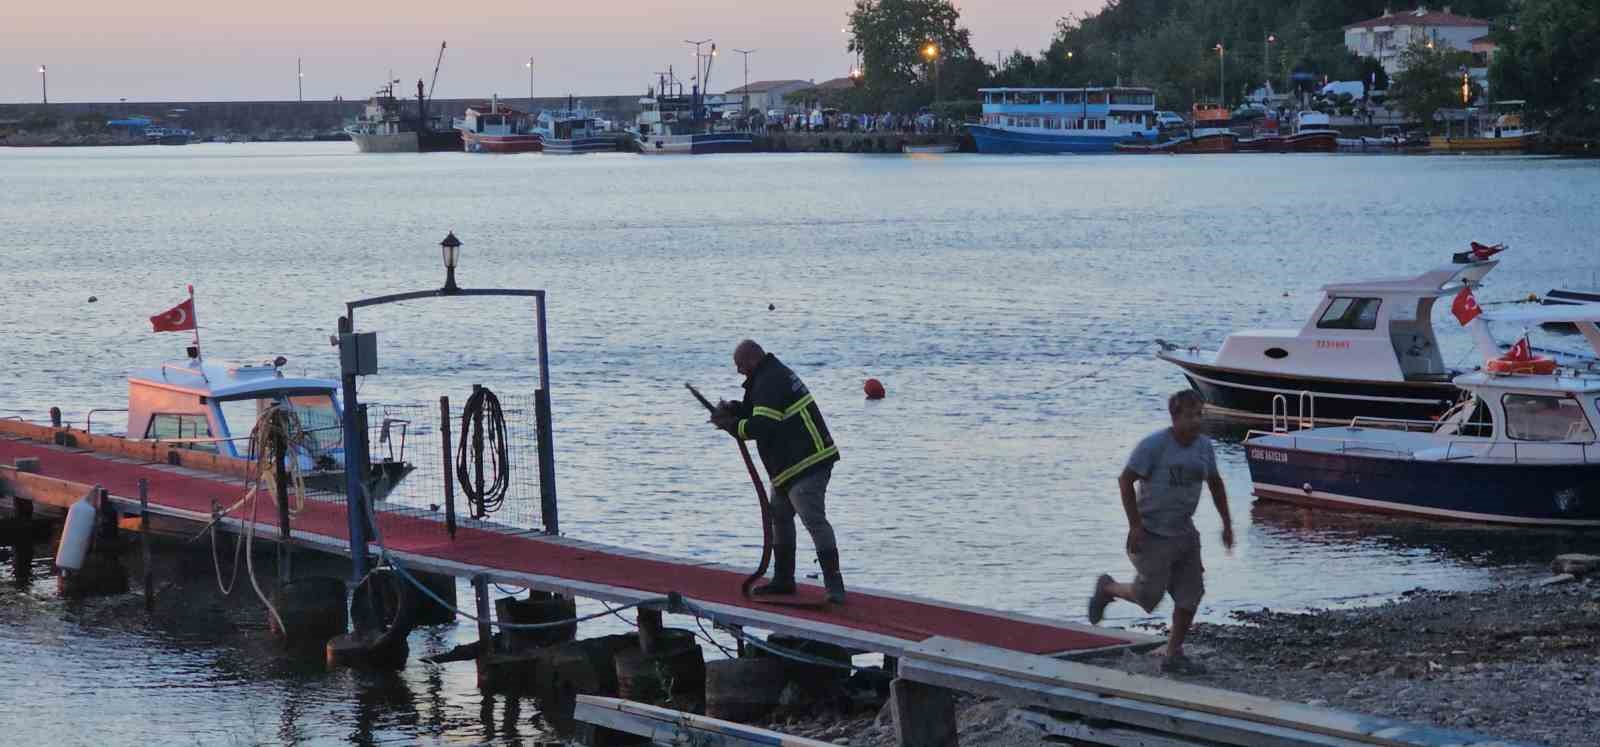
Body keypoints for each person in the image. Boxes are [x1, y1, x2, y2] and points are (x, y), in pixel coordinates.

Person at [1088, 390, 1233, 671]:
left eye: (1199, 415)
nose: (1196, 421)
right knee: (1148, 597)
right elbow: (1125, 481)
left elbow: (1215, 483)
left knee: (1192, 593)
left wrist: (1226, 523)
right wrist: (1135, 525)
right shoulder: (1154, 446)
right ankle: (1107, 588)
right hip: (1151, 532)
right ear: (1175, 417)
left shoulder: (1204, 447)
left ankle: (1173, 654)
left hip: (1184, 532)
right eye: (1190, 416)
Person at [711, 340, 846, 603]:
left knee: (813, 520)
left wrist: (732, 426)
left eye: (739, 366)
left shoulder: (769, 380)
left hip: (807, 462)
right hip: (787, 466)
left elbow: (762, 425)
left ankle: (834, 585)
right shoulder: (766, 376)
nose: (738, 371)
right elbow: (757, 411)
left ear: (751, 360)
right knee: (780, 518)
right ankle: (784, 579)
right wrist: (735, 411)